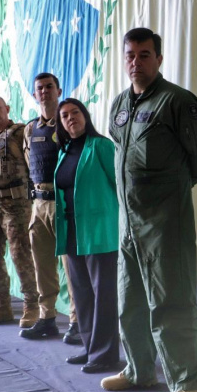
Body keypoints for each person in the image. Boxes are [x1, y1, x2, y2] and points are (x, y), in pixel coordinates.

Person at [101, 28, 197, 392]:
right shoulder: (119, 103)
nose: (136, 62)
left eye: (145, 55)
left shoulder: (178, 101)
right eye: (130, 55)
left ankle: (187, 384)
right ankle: (138, 370)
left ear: (159, 59)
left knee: (172, 303)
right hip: (128, 225)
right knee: (129, 302)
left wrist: (171, 195)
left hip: (166, 224)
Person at [54, 98, 120, 372]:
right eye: (65, 115)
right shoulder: (65, 151)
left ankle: (105, 355)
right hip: (72, 232)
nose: (71, 118)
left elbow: (119, 186)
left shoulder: (102, 146)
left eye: (75, 112)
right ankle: (91, 347)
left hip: (99, 233)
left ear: (85, 115)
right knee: (81, 294)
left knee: (103, 294)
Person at [0, 96, 40, 328]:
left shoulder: (20, 133)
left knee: (20, 255)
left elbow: (35, 165)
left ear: (7, 109)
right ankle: (1, 305)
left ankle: (32, 306)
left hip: (15, 204)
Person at [19, 73, 66, 340]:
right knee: (43, 267)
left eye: (49, 87)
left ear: (58, 90)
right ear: (35, 94)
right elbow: (29, 164)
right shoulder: (30, 129)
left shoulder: (68, 121)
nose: (45, 91)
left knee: (71, 268)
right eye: (40, 88)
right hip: (39, 205)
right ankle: (47, 318)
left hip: (62, 204)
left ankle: (77, 321)